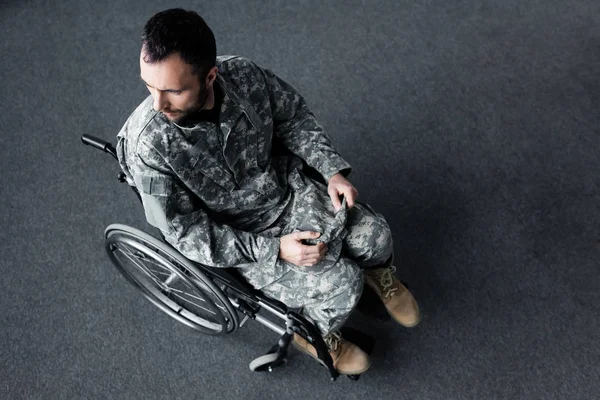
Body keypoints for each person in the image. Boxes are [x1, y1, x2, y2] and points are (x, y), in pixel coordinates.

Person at [116, 8, 420, 375]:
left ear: (210, 75)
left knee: (376, 236)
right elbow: (185, 233)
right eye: (149, 86)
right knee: (343, 283)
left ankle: (381, 277)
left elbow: (293, 117)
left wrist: (332, 171)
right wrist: (274, 249)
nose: (157, 104)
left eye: (173, 90)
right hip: (241, 237)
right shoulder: (148, 145)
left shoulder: (244, 75)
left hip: (284, 191)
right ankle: (314, 336)